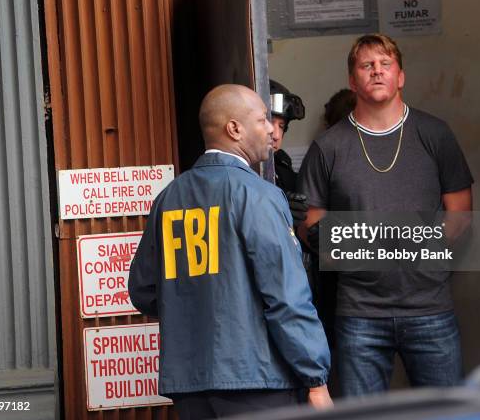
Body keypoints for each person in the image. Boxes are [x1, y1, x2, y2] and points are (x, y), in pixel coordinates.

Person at [129, 84, 332, 419]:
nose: (270, 128)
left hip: (189, 382)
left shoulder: (168, 198)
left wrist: (200, 304)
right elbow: (286, 296)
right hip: (257, 379)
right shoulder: (259, 195)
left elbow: (143, 290)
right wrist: (316, 379)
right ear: (234, 129)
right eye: (262, 119)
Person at [298, 34, 473, 397]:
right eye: (366, 65)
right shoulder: (328, 147)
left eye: (385, 64)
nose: (377, 72)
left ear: (401, 76)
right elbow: (310, 226)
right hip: (359, 311)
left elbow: (460, 215)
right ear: (352, 80)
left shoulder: (434, 134)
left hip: (430, 306)